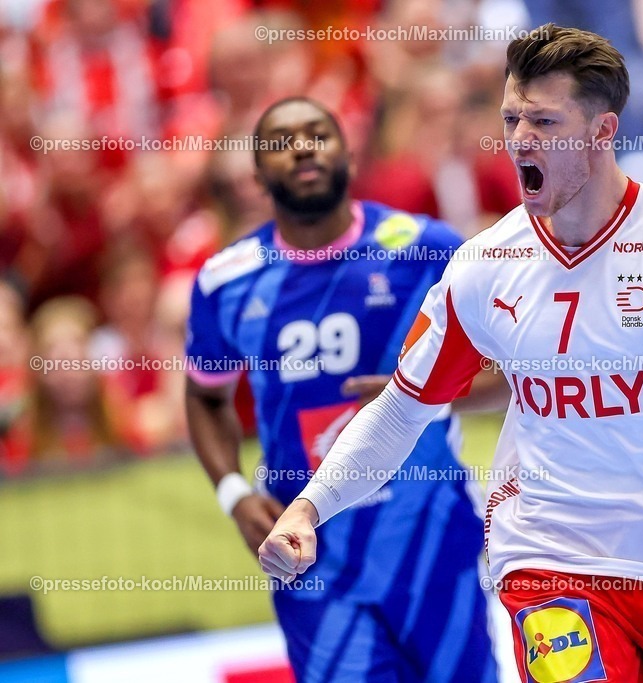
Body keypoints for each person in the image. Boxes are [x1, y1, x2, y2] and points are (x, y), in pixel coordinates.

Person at [259, 26, 643, 683]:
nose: (521, 138)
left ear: (601, 131)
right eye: (511, 118)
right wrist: (308, 507)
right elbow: (401, 411)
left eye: (545, 121)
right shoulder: (486, 265)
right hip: (550, 556)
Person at [185, 97, 502, 683]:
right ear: (256, 176)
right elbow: (205, 396)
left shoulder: (426, 248)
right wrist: (233, 494)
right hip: (311, 554)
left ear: (350, 156)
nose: (303, 147)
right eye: (282, 141)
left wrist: (423, 390)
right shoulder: (226, 282)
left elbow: (512, 370)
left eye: (318, 134)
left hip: (430, 538)